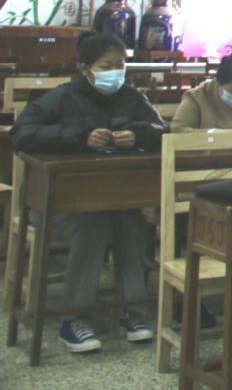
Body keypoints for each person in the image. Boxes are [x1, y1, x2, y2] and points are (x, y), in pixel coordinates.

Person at [12, 31, 166, 353]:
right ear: (85, 69)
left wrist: (138, 135)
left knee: (130, 220)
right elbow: (22, 133)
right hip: (58, 203)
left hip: (115, 197)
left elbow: (161, 130)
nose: (116, 72)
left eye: (120, 64)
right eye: (106, 66)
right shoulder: (62, 97)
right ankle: (73, 319)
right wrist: (79, 136)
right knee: (94, 221)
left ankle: (133, 312)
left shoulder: (132, 97)